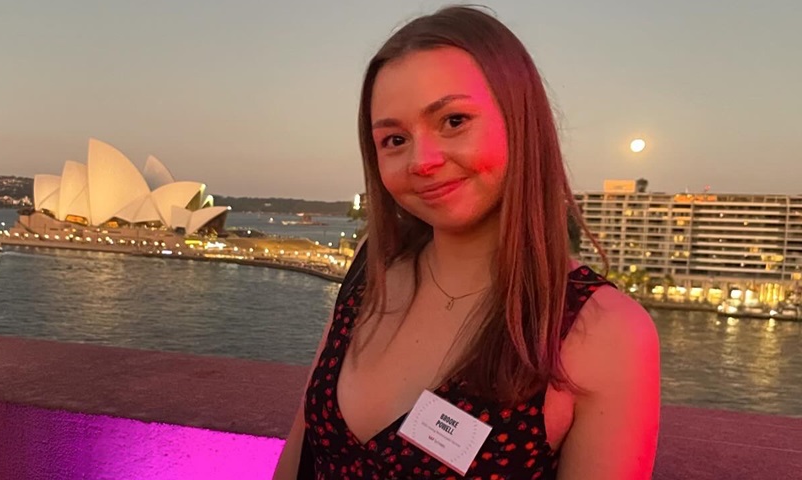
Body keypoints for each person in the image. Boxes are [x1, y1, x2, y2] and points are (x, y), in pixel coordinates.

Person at [274, 6, 660, 479]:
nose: (423, 160)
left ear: (521, 120)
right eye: (394, 139)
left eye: (454, 120)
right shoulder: (371, 271)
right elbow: (299, 458)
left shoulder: (603, 330)